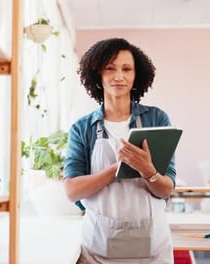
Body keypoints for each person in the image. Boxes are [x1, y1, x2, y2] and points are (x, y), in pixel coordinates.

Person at [63, 38, 177, 263]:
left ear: (136, 76)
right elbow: (72, 191)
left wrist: (147, 170)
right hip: (97, 250)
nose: (119, 76)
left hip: (152, 249)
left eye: (127, 69)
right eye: (110, 68)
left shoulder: (156, 119)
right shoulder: (83, 128)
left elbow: (166, 189)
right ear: (98, 75)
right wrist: (119, 168)